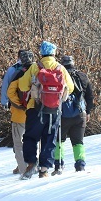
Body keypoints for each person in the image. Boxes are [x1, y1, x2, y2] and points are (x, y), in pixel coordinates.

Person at [17, 41, 74, 179]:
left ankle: (31, 163)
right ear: (54, 53)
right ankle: (44, 170)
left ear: (41, 53)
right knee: (49, 139)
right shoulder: (60, 68)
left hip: (35, 108)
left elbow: (23, 86)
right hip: (53, 110)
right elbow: (70, 88)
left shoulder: (35, 67)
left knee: (30, 137)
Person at [53, 55, 95, 174]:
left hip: (62, 115)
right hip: (80, 114)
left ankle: (58, 166)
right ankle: (80, 165)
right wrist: (88, 111)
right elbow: (90, 97)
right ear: (73, 63)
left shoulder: (58, 76)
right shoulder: (82, 76)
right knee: (78, 141)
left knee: (59, 140)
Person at [6, 51, 35, 175]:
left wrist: (19, 105)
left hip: (20, 115)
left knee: (19, 144)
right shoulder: (38, 71)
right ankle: (34, 166)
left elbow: (10, 93)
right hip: (36, 113)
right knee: (34, 142)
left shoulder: (18, 73)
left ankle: (24, 170)